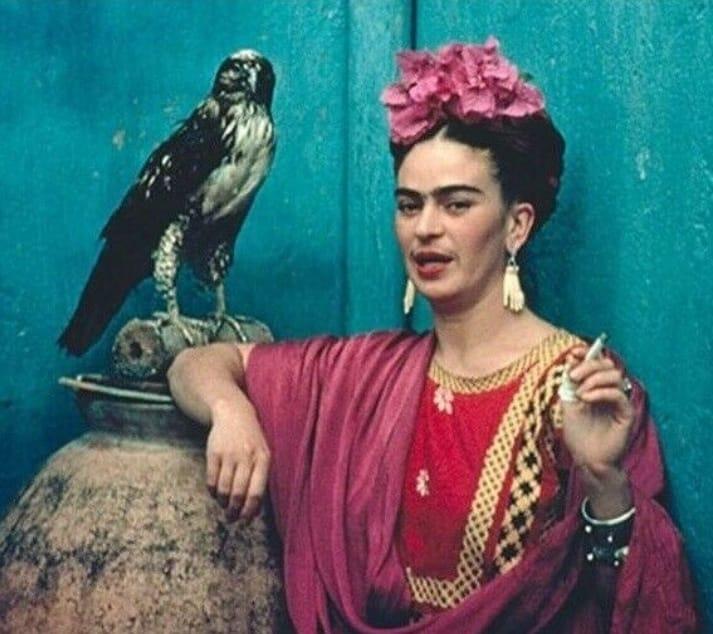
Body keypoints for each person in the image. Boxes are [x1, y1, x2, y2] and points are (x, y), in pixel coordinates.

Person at [167, 38, 697, 632]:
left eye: (456, 205)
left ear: (517, 225)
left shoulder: (582, 388)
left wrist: (604, 481)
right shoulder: (363, 375)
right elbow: (197, 364)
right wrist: (230, 410)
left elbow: (638, 610)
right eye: (409, 205)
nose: (425, 229)